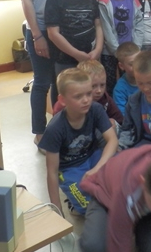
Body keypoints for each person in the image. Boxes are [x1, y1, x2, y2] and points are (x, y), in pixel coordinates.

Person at [17, 0, 69, 148]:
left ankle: (61, 127)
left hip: (62, 28)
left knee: (61, 80)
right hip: (40, 28)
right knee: (41, 82)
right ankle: (40, 132)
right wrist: (37, 35)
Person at [38, 68, 118, 216]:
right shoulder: (55, 128)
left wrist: (97, 168)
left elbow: (112, 140)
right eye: (78, 96)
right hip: (69, 168)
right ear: (62, 100)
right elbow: (52, 172)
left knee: (119, 172)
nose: (86, 100)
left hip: (93, 156)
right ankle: (74, 204)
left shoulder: (96, 109)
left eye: (88, 93)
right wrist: (57, 211)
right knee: (88, 207)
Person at [45, 0, 103, 76]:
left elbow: (98, 25)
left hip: (91, 56)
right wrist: (76, 54)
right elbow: (53, 34)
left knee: (92, 86)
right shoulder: (54, 0)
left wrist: (98, 50)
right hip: (65, 60)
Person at [98, 0, 144, 95]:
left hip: (131, 52)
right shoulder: (104, 3)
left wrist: (136, 48)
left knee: (132, 81)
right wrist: (117, 53)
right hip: (110, 52)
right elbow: (106, 29)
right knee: (110, 84)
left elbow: (139, 24)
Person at [52, 60, 124, 135]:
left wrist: (114, 123)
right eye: (93, 86)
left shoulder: (105, 98)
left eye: (102, 85)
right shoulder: (62, 107)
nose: (99, 91)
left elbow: (120, 119)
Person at [112, 41, 141, 116]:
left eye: (139, 61)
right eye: (131, 64)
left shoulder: (149, 79)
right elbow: (123, 116)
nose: (136, 66)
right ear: (121, 66)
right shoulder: (119, 89)